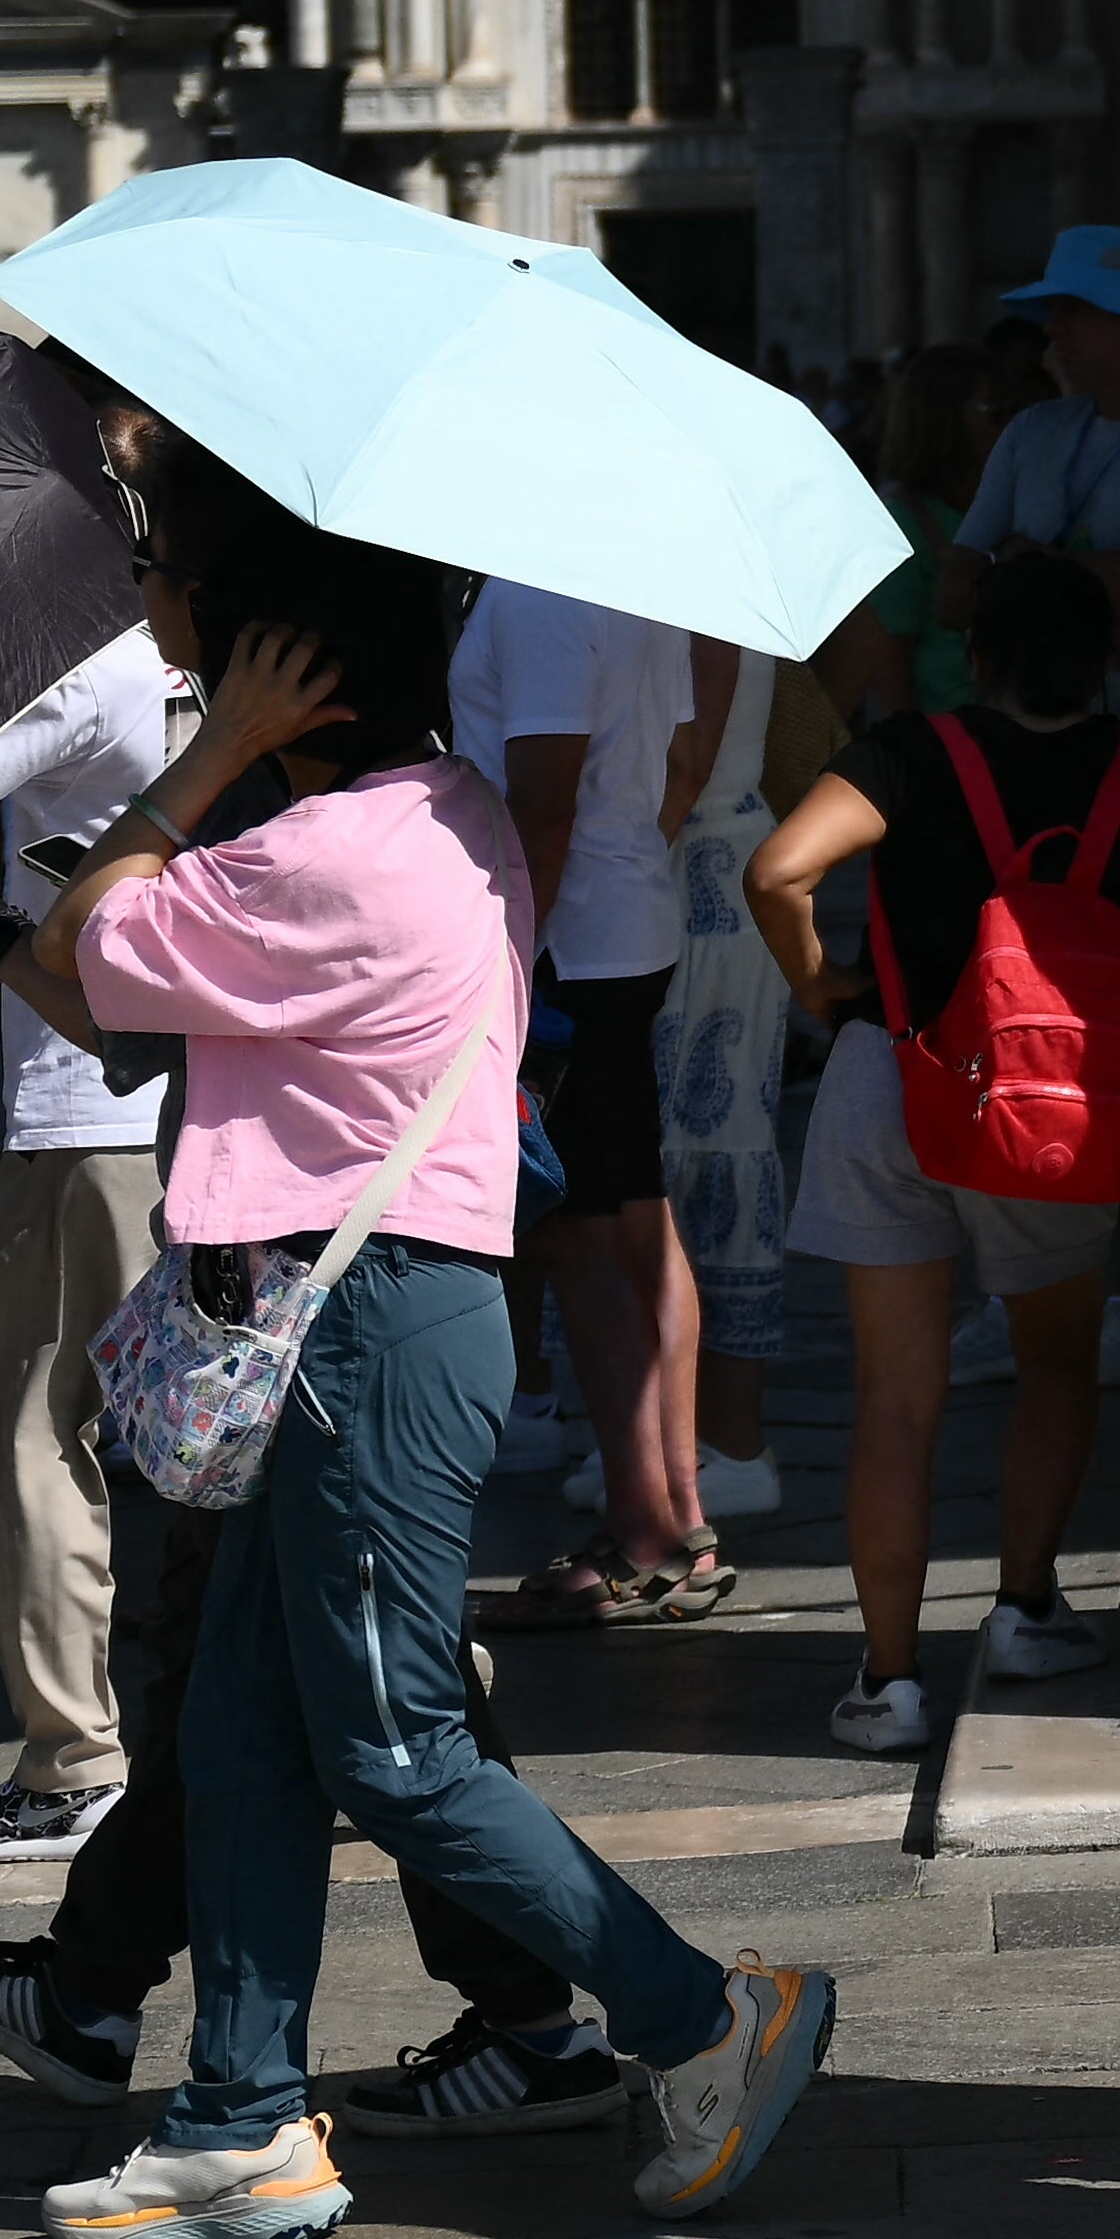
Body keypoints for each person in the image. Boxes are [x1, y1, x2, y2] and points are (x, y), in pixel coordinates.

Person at [0, 433, 828, 2239]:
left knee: (392, 1741)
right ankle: (236, 2113)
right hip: (372, 1306)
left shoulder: (320, 850)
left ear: (278, 663)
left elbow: (87, 937)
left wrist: (197, 759)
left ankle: (701, 2011)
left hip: (358, 1318)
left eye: (193, 620)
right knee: (246, 1729)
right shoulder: (432, 807)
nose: (165, 628)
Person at [735, 547, 1120, 1754]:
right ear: (1106, 659)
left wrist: (821, 981)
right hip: (1053, 1102)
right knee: (1055, 1362)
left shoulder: (911, 753)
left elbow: (778, 868)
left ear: (976, 653)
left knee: (893, 1400)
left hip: (896, 1075)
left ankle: (889, 1682)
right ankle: (1027, 1606)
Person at [456, 572, 785, 1625]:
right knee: (635, 1216)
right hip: (622, 919)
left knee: (586, 1234)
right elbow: (680, 757)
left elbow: (544, 799)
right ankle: (672, 1511)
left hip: (566, 941)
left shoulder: (538, 589)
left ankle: (646, 1524)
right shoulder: (628, 577)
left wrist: (506, 950)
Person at [0, 614, 193, 1862]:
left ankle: (71, 1759)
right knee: (241, 1440)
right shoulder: (229, 659)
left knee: (39, 1430)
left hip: (90, 1112)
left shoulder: (86, 656)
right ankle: (399, 1698)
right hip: (213, 1102)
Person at [955, 226, 1120, 734]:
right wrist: (1093, 631)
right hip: (1024, 740)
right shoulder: (1031, 430)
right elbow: (950, 591)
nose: (1053, 328)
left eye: (1075, 307)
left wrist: (1018, 562)